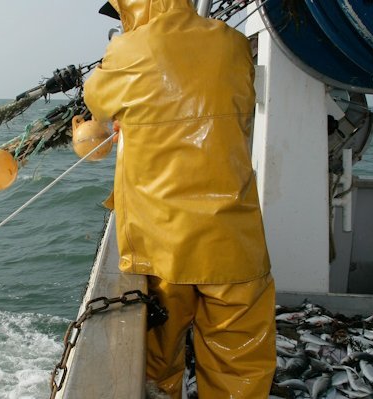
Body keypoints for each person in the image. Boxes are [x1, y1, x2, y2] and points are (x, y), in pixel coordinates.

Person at [82, 0, 276, 397]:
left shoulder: (124, 51)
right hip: (234, 243)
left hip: (164, 250)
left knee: (159, 364)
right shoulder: (234, 43)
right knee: (240, 365)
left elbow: (96, 101)